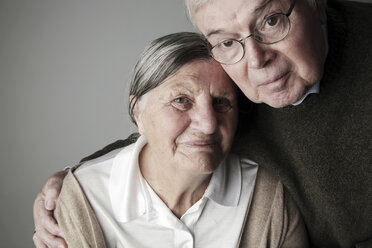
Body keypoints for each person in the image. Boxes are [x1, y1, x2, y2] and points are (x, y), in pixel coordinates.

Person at [33, 0, 372, 247]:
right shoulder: (236, 85)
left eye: (271, 21)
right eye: (226, 41)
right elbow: (174, 125)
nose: (256, 60)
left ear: (317, 6)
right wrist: (74, 179)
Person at [36, 32, 308, 248]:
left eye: (221, 102)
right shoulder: (82, 200)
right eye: (181, 100)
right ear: (137, 113)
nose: (209, 123)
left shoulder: (271, 200)